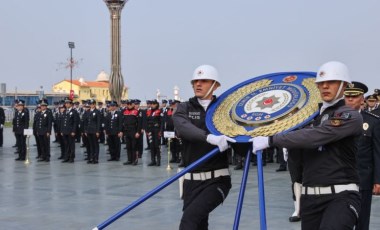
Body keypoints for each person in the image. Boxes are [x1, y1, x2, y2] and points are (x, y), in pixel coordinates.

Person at [251, 61, 362, 229]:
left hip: (341, 195)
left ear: (344, 85)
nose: (325, 86)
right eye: (321, 83)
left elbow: (316, 136)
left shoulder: (349, 116)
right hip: (309, 199)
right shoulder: (309, 118)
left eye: (331, 82)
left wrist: (271, 140)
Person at [173, 64, 235, 229]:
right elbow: (183, 127)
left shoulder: (224, 111)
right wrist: (209, 137)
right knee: (199, 225)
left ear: (215, 85)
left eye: (204, 81)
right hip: (190, 181)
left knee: (188, 223)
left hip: (216, 180)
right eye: (195, 81)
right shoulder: (184, 108)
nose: (198, 84)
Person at [344, 81, 380, 230]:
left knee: (362, 218)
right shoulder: (335, 120)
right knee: (341, 218)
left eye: (354, 96)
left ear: (362, 98)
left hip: (363, 177)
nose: (350, 99)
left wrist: (378, 180)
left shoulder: (372, 121)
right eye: (348, 97)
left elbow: (377, 152)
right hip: (340, 178)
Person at [60, 98, 79, 163]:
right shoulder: (65, 111)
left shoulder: (74, 112)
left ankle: (71, 157)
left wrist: (73, 131)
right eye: (66, 103)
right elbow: (62, 122)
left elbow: (75, 122)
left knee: (71, 145)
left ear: (71, 104)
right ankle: (66, 157)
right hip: (65, 131)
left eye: (68, 103)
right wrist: (62, 131)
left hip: (71, 131)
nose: (66, 104)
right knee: (66, 145)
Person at [84, 99, 101, 164]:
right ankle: (91, 157)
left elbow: (98, 122)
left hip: (94, 131)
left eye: (92, 104)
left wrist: (98, 131)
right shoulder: (87, 111)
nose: (91, 105)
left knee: (95, 145)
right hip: (88, 130)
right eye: (90, 104)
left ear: (94, 104)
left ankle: (95, 158)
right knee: (90, 145)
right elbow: (85, 121)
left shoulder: (97, 112)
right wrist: (85, 130)